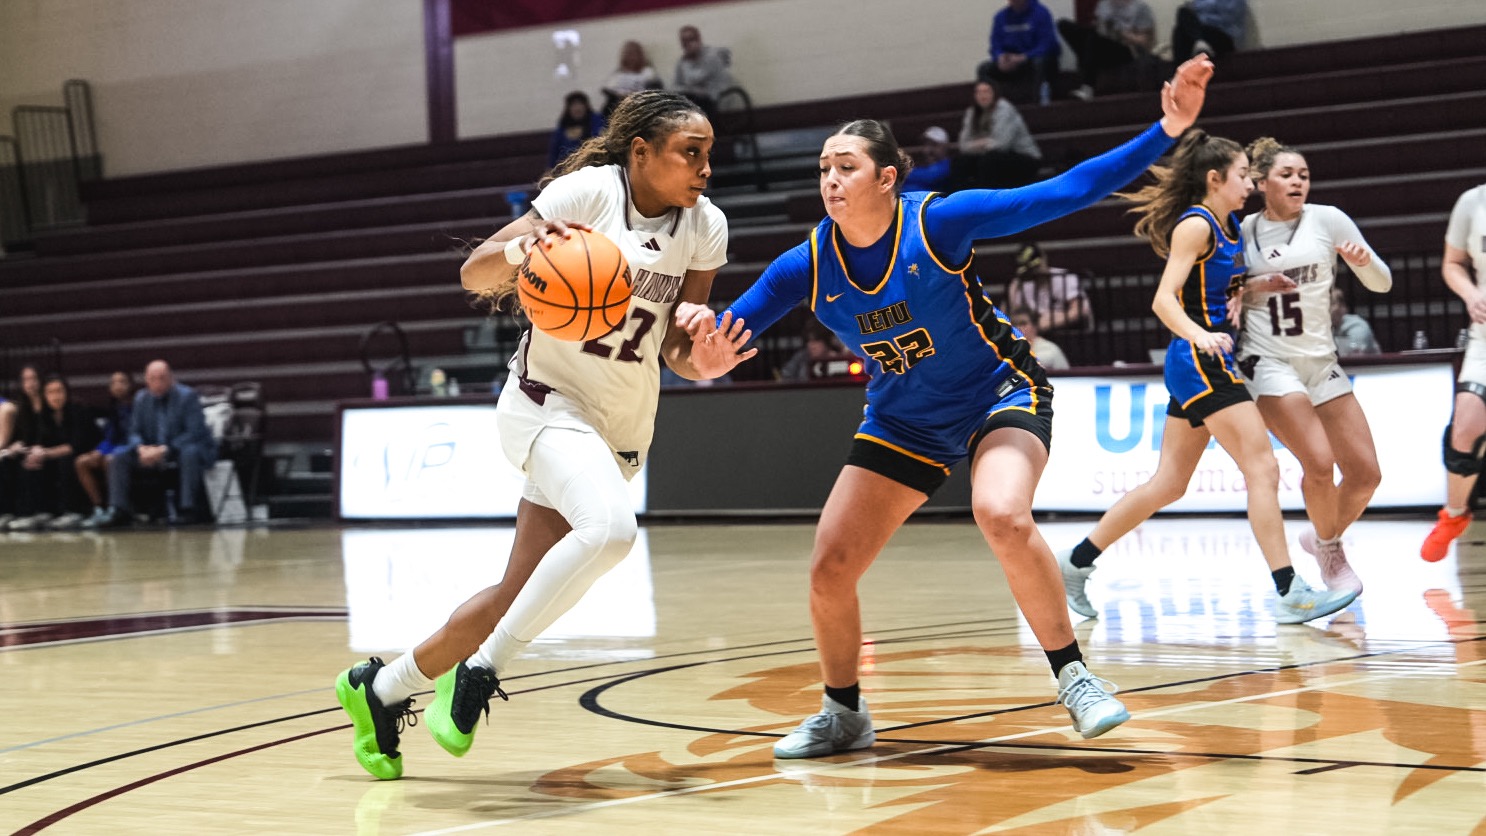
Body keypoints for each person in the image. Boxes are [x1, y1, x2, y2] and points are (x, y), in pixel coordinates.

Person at [676, 57, 1217, 760]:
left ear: (886, 178)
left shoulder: (938, 223)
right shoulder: (805, 265)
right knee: (829, 566)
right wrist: (703, 360)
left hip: (999, 393)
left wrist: (1167, 129)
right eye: (821, 169)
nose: (829, 180)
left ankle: (1075, 676)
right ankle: (843, 713)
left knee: (1001, 513)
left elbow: (1067, 189)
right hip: (903, 419)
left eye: (844, 167)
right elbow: (718, 342)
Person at [333, 91, 753, 781]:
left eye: (709, 152)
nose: (707, 166)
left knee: (514, 594)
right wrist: (528, 245)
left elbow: (678, 345)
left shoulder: (705, 226)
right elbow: (475, 273)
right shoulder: (589, 192)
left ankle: (378, 691)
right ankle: (479, 674)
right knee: (612, 532)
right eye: (691, 152)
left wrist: (699, 362)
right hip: (545, 406)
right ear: (641, 153)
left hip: (619, 427)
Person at [1054, 130, 1359, 626]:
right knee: (1262, 468)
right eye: (1241, 175)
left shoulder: (1230, 224)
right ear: (1215, 179)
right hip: (1200, 359)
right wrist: (1200, 334)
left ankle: (1076, 562)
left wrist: (1257, 284)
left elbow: (1220, 285)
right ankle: (1289, 591)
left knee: (1169, 483)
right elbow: (1164, 299)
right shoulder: (1194, 226)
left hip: (1203, 357)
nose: (1248, 184)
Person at [1235, 136, 1393, 594]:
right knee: (1319, 463)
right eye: (1287, 174)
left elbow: (1381, 282)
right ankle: (1330, 552)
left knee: (1366, 475)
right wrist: (1255, 287)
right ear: (1261, 182)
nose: (1298, 181)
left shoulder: (1326, 219)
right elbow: (1219, 293)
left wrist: (1363, 264)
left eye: (1303, 174)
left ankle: (1321, 534)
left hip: (1321, 361)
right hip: (1268, 359)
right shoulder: (1242, 230)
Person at [1422, 181, 1486, 562]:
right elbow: (1452, 264)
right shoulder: (1473, 201)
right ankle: (1454, 515)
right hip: (1484, 336)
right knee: (1465, 426)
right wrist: (1471, 294)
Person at [95, 360, 217, 528]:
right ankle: (119, 510)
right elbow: (134, 432)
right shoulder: (141, 398)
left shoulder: (187, 396)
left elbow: (194, 433)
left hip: (179, 449)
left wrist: (163, 450)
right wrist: (141, 448)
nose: (158, 383)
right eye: (153, 379)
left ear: (171, 378)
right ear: (147, 381)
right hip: (150, 452)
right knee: (118, 457)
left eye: (162, 378)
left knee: (190, 452)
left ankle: (189, 509)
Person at [9, 375, 97, 531]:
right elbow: (41, 442)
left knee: (66, 460)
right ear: (45, 395)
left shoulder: (78, 410)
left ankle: (73, 511)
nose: (56, 396)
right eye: (50, 392)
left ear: (66, 393)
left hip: (84, 453)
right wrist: (36, 451)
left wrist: (46, 453)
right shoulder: (45, 415)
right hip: (56, 455)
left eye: (59, 391)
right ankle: (40, 512)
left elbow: (74, 446)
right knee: (30, 461)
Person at [1056, 0, 1157, 101]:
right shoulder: (1104, 4)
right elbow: (1097, 25)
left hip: (1126, 48)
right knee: (1064, 25)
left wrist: (1121, 33)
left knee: (1093, 39)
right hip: (1102, 43)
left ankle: (1087, 87)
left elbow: (1145, 42)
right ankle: (1087, 60)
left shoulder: (1140, 8)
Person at [954, 81, 1042, 190]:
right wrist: (986, 143)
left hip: (1023, 156)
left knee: (989, 161)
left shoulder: (1004, 108)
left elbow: (1002, 144)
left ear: (994, 94)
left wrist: (977, 144)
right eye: (978, 92)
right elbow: (963, 145)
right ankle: (963, 201)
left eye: (986, 91)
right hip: (990, 156)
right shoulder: (972, 112)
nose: (982, 95)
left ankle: (988, 202)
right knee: (960, 162)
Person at [76, 370, 135, 527]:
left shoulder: (136, 406)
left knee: (110, 461)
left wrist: (107, 452)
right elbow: (109, 436)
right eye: (114, 383)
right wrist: (99, 451)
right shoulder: (113, 408)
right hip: (114, 449)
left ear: (130, 385)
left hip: (130, 450)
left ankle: (115, 508)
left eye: (122, 382)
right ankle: (98, 507)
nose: (118, 386)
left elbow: (132, 436)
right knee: (82, 461)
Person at [977, 0, 1061, 104]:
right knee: (983, 68)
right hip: (1011, 61)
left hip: (1033, 59)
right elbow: (995, 45)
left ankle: (1037, 105)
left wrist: (1023, 57)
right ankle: (989, 108)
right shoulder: (1000, 17)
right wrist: (1000, 57)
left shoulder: (1041, 13)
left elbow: (1047, 45)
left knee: (1039, 62)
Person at [1005, 242, 1093, 333]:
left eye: (1037, 266)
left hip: (1070, 333)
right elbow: (1010, 316)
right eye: (1030, 269)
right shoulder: (1021, 286)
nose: (1035, 272)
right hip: (1036, 337)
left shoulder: (1064, 278)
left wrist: (1050, 321)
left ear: (1044, 258)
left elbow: (1080, 310)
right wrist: (1013, 289)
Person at [0, 364, 44, 530]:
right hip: (28, 449)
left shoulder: (49, 404)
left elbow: (51, 434)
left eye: (33, 379)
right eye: (26, 380)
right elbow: (21, 436)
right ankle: (7, 513)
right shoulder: (22, 407)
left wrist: (40, 448)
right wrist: (15, 445)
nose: (30, 383)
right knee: (6, 460)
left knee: (27, 462)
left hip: (46, 450)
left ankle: (30, 513)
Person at [672, 26, 734, 118]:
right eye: (684, 41)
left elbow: (697, 79)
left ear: (698, 40)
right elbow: (676, 85)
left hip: (714, 96)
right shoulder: (682, 62)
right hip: (694, 97)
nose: (688, 44)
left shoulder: (711, 57)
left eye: (691, 40)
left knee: (693, 101)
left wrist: (691, 62)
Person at [601, 40, 663, 116]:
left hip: (641, 104)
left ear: (640, 55)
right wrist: (620, 95)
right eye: (628, 54)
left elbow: (655, 90)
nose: (631, 57)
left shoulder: (648, 72)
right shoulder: (619, 73)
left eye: (634, 54)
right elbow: (607, 89)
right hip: (619, 104)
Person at [1173, 0, 1247, 62]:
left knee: (1188, 27)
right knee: (1182, 18)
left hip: (1224, 36)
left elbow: (1228, 18)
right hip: (1203, 33)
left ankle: (1199, 41)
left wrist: (1201, 19)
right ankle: (1199, 42)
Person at [548, 91, 605, 169]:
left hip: (593, 165)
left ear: (586, 106)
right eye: (573, 105)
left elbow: (598, 140)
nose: (577, 108)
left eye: (580, 104)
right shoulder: (564, 125)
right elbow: (555, 151)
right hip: (567, 168)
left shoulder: (595, 120)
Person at [779, 321, 848, 381]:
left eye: (816, 341)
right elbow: (786, 376)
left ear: (827, 342)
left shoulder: (840, 358)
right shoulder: (802, 357)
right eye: (809, 341)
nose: (811, 345)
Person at [902, 126, 954, 193]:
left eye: (934, 145)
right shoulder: (921, 166)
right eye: (926, 145)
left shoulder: (946, 165)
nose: (928, 150)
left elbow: (930, 177)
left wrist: (902, 173)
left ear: (945, 147)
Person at [1331, 288, 1381, 356]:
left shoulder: (1357, 326)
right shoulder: (1322, 329)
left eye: (1331, 303)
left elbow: (1354, 352)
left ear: (1342, 308)